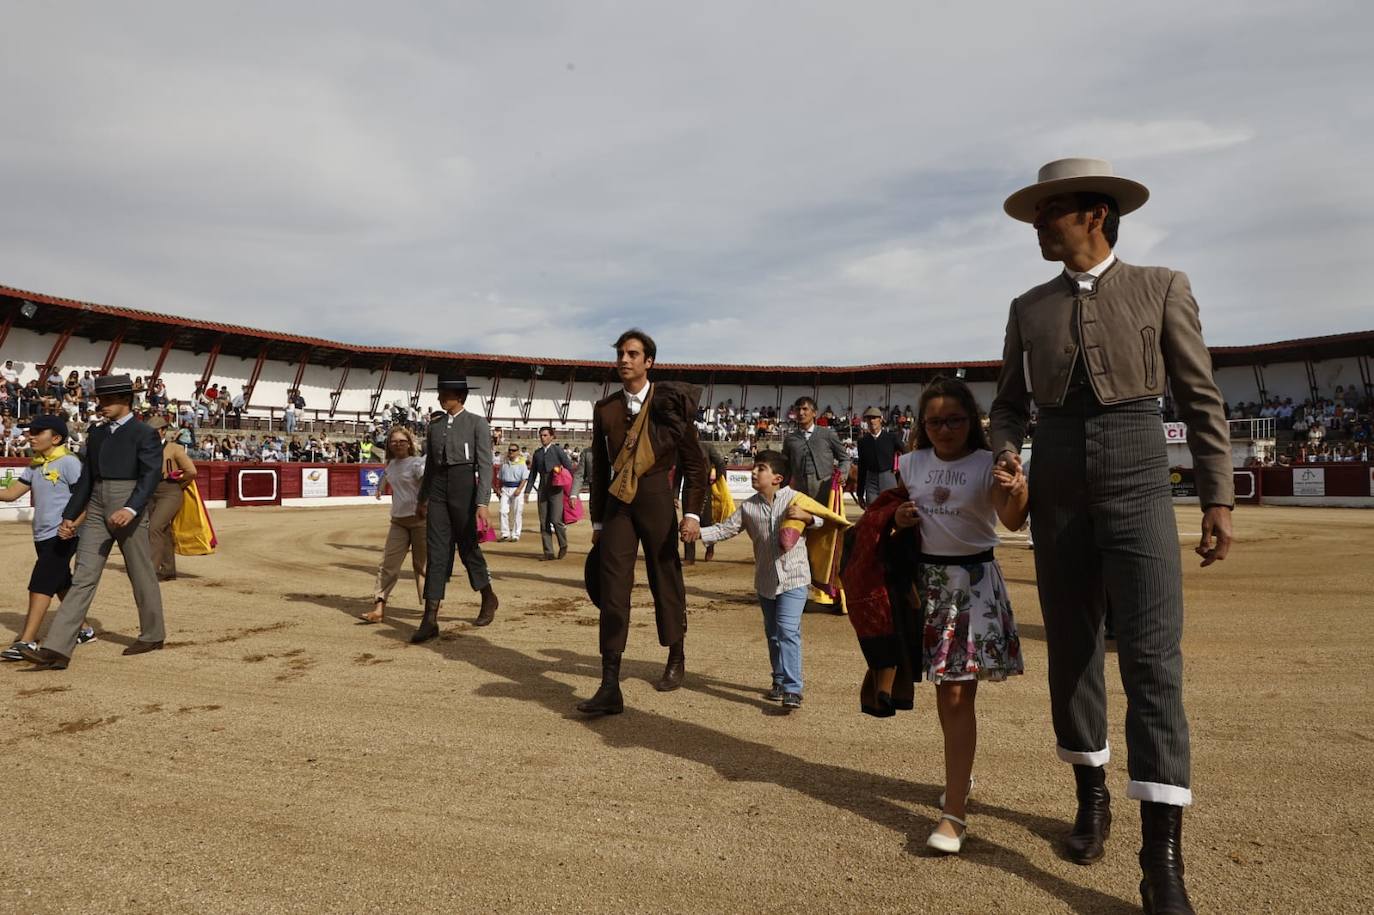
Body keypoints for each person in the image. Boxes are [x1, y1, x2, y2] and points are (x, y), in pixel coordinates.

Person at [990, 158, 1234, 913]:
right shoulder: (1028, 307)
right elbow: (1007, 407)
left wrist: (1217, 496)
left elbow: (1199, 395)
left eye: (1050, 210)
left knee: (1155, 661)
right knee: (1071, 649)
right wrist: (1005, 450)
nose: (1037, 223)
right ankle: (1091, 793)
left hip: (1138, 480)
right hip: (1058, 485)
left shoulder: (1163, 286)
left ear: (1093, 214)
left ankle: (1162, 856)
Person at [891, 377, 1028, 854]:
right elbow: (889, 519)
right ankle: (958, 779)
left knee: (955, 695)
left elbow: (1012, 521)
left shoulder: (987, 464)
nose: (944, 429)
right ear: (922, 424)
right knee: (947, 696)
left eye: (954, 420)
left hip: (973, 585)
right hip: (925, 587)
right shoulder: (909, 464)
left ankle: (954, 813)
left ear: (972, 421)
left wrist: (1018, 489)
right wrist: (897, 519)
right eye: (934, 421)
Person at [578, 328, 708, 715]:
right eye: (620, 353)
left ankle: (676, 654)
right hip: (618, 507)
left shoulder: (670, 403)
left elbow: (695, 467)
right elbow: (601, 472)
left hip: (655, 501)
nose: (624, 360)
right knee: (613, 589)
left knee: (665, 579)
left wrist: (692, 512)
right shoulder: (607, 409)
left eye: (632, 354)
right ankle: (609, 683)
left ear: (649, 362)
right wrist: (598, 523)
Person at [18, 375, 167, 670]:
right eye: (100, 400)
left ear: (126, 400)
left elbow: (150, 475)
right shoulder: (97, 433)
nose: (101, 406)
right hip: (97, 502)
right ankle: (57, 649)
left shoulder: (143, 432)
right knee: (83, 575)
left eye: (107, 400)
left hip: (129, 499)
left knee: (140, 572)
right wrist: (70, 517)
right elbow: (87, 479)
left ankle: (153, 634)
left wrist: (131, 508)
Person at [697, 450, 828, 710]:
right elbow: (725, 529)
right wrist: (697, 533)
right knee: (773, 634)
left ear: (778, 477)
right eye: (754, 468)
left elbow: (828, 520)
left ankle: (793, 688)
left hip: (795, 577)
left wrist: (809, 518)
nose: (753, 472)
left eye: (760, 468)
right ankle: (779, 679)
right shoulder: (749, 506)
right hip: (767, 580)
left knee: (787, 630)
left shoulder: (798, 500)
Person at [0, 416, 96, 661]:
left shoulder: (69, 463)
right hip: (42, 535)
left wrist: (74, 524)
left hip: (62, 533)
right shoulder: (35, 465)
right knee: (61, 581)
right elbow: (11, 494)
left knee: (41, 582)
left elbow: (87, 497)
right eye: (30, 431)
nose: (31, 435)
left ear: (56, 438)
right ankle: (84, 630)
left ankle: (27, 641)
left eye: (37, 432)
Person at [414, 375, 498, 642]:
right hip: (438, 488)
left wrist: (482, 503)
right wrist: (423, 497)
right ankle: (430, 618)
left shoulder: (477, 423)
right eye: (441, 392)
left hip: (464, 487)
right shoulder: (435, 425)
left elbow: (484, 466)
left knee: (468, 545)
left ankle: (487, 595)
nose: (440, 397)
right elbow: (430, 467)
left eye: (445, 393)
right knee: (436, 549)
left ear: (459, 397)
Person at [361, 426, 427, 624]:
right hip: (398, 520)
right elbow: (386, 476)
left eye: (402, 441)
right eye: (394, 441)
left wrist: (425, 505)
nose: (398, 445)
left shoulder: (417, 463)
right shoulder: (390, 464)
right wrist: (380, 489)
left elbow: (427, 485)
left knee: (422, 566)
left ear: (409, 444)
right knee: (388, 565)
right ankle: (379, 607)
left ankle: (430, 607)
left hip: (421, 520)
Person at [147, 423, 199, 581]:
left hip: (170, 491)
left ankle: (151, 570)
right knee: (163, 531)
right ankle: (168, 569)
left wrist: (178, 484)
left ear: (163, 431)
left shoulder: (175, 449)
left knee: (154, 527)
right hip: (150, 492)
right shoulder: (144, 448)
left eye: (155, 430)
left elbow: (191, 471)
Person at [783, 396, 851, 503]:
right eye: (798, 409)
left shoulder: (828, 434)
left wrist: (842, 473)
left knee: (824, 518)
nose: (801, 413)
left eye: (805, 409)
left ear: (814, 413)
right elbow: (785, 465)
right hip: (799, 490)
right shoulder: (790, 439)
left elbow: (845, 458)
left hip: (825, 487)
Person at [527, 426, 573, 560]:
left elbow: (569, 467)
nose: (543, 438)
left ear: (552, 437)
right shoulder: (537, 453)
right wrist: (528, 491)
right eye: (541, 435)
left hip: (556, 488)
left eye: (546, 435)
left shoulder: (557, 450)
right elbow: (533, 474)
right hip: (543, 487)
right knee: (543, 521)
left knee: (555, 519)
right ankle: (548, 552)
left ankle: (563, 544)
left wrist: (561, 473)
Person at [680, 442, 727, 564]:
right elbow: (678, 474)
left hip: (705, 487)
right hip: (688, 489)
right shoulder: (681, 448)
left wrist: (718, 479)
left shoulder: (707, 447)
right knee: (687, 521)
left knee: (706, 521)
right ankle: (689, 557)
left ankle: (710, 547)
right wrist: (675, 495)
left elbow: (720, 463)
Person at [856, 406, 903, 507]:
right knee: (873, 512)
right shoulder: (863, 442)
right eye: (869, 418)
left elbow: (906, 455)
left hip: (889, 476)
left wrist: (900, 475)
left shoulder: (892, 438)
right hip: (871, 480)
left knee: (891, 509)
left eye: (874, 418)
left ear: (880, 419)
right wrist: (860, 494)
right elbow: (862, 467)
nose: (871, 421)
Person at [495, 443, 529, 542]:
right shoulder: (504, 463)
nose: (511, 452)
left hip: (516, 488)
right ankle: (505, 533)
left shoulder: (522, 464)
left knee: (517, 511)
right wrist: (498, 489)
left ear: (518, 452)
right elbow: (500, 478)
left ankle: (515, 534)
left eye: (514, 450)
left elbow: (524, 478)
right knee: (503, 511)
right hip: (505, 488)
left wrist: (519, 489)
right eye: (510, 450)